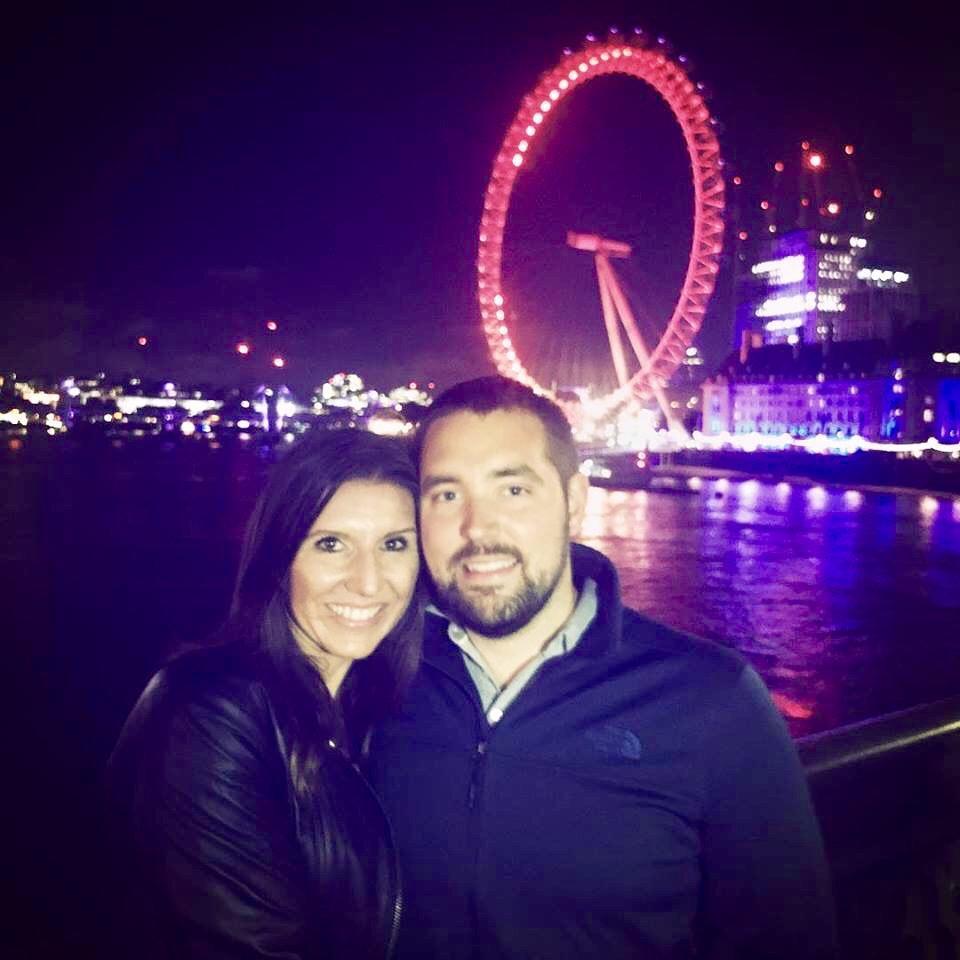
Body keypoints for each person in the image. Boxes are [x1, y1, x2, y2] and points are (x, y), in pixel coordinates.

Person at [367, 375, 837, 959]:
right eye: (445, 495)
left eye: (513, 491)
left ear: (575, 501)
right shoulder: (373, 679)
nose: (477, 527)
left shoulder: (714, 702)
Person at [106, 429, 422, 959]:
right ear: (279, 558)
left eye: (393, 544)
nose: (369, 582)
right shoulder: (212, 712)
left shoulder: (374, 710)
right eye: (330, 544)